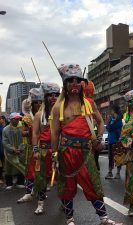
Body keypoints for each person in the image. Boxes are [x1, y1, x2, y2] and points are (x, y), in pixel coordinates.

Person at [51, 63, 122, 225]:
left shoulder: (89, 104)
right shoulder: (58, 108)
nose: (74, 83)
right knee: (67, 186)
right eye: (70, 80)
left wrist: (97, 137)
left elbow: (101, 122)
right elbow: (55, 133)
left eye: (77, 80)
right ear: (65, 84)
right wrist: (54, 154)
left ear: (82, 84)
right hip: (66, 152)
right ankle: (69, 219)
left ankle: (104, 218)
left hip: (86, 152)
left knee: (93, 183)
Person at [29, 83, 60, 214]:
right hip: (43, 151)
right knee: (41, 179)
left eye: (56, 95)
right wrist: (35, 150)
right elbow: (35, 133)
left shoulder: (62, 114)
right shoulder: (39, 115)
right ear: (45, 97)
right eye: (50, 95)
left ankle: (65, 203)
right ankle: (40, 204)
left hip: (59, 151)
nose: (53, 97)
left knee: (63, 179)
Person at [17, 88, 44, 203]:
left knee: (41, 171)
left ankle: (39, 193)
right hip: (30, 147)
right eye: (35, 102)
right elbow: (22, 132)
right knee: (30, 171)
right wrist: (32, 130)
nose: (38, 104)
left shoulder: (44, 115)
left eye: (40, 102)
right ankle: (28, 192)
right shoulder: (27, 118)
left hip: (43, 147)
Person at [2, 112, 25, 190]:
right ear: (11, 120)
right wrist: (13, 149)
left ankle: (20, 182)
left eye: (18, 119)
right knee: (8, 167)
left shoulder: (22, 128)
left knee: (21, 166)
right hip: (9, 153)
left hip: (20, 151)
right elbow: (5, 142)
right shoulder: (6, 129)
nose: (18, 120)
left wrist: (21, 148)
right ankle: (9, 183)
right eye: (16, 119)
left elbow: (24, 140)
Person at [105, 104, 123, 179]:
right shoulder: (110, 119)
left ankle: (118, 173)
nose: (110, 111)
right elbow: (108, 128)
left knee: (118, 157)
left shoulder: (119, 120)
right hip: (110, 141)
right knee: (110, 157)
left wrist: (111, 125)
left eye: (111, 110)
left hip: (117, 141)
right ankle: (110, 172)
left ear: (114, 111)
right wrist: (111, 125)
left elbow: (114, 127)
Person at [0, 115, 8, 185]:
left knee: (2, 162)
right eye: (1, 119)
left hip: (2, 147)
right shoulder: (2, 127)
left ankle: (2, 177)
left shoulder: (3, 126)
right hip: (1, 147)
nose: (1, 120)